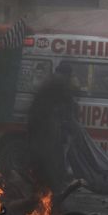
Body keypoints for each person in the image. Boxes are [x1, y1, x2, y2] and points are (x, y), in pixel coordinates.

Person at [27, 63, 78, 193]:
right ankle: (51, 196)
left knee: (43, 163)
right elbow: (68, 105)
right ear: (66, 74)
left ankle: (42, 193)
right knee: (54, 164)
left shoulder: (50, 82)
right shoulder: (59, 84)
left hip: (39, 130)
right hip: (46, 131)